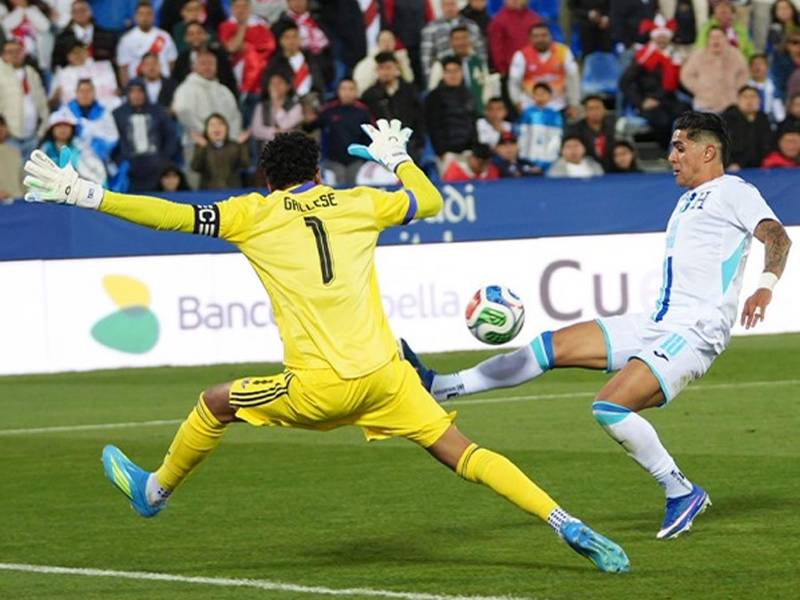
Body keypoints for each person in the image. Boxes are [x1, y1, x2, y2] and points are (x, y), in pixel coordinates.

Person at [22, 119, 630, 574]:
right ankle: (564, 520)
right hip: (388, 378)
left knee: (214, 401)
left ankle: (153, 493)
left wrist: (90, 195)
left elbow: (170, 216)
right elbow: (432, 199)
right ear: (318, 172)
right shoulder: (358, 203)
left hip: (320, 386)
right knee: (462, 451)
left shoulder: (250, 214)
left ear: (267, 178)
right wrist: (399, 159)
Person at [401, 111, 792, 540]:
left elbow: (777, 236)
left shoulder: (734, 190)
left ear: (708, 150)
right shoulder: (688, 199)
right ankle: (443, 386)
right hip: (656, 321)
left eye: (680, 147)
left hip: (694, 333)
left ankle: (681, 490)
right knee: (551, 347)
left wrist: (765, 287)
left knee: (609, 407)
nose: (671, 156)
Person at [619, 16, 687, 148]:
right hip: (648, 100)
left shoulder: (675, 58)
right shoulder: (642, 58)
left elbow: (680, 84)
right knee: (663, 121)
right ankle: (665, 151)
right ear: (653, 37)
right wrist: (641, 101)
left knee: (686, 114)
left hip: (669, 99)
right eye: (659, 36)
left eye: (664, 36)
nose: (662, 39)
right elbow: (625, 83)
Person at [302, 78, 371, 187]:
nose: (347, 93)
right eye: (343, 89)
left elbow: (371, 135)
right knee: (338, 183)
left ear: (356, 91)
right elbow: (310, 127)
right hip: (333, 161)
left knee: (356, 186)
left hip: (357, 161)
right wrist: (307, 121)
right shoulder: (330, 110)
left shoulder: (363, 111)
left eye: (351, 89)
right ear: (338, 91)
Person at [113, 78, 179, 191]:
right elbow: (113, 140)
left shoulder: (158, 112)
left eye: (140, 91)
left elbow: (170, 136)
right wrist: (121, 160)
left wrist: (164, 159)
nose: (136, 95)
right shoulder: (118, 114)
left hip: (156, 165)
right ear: (127, 94)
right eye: (132, 91)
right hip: (129, 166)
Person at [361, 51, 425, 162]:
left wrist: (419, 143)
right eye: (381, 68)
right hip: (382, 149)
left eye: (388, 67)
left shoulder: (410, 91)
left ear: (396, 69)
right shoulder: (369, 96)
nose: (385, 72)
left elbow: (420, 119)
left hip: (410, 144)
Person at [507, 22, 580, 117]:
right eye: (536, 36)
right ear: (530, 38)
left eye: (544, 35)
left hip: (558, 104)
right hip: (530, 105)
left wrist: (573, 103)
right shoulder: (521, 55)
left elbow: (573, 78)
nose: (540, 39)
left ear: (551, 36)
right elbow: (514, 81)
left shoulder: (563, 52)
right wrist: (517, 102)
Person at [427, 25, 497, 115]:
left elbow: (487, 88)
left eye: (464, 38)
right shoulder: (441, 64)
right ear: (451, 42)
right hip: (449, 116)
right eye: (457, 39)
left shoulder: (478, 63)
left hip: (477, 114)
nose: (461, 42)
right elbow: (433, 91)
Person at [680, 27, 749, 114]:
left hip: (730, 104)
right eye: (712, 37)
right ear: (708, 40)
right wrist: (699, 88)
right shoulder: (698, 55)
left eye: (719, 37)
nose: (716, 40)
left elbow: (744, 72)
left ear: (725, 39)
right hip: (705, 104)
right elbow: (686, 75)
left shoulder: (735, 54)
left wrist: (736, 88)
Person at [0, 38, 48, 160]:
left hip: (32, 136)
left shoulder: (31, 73)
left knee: (29, 177)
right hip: (8, 137)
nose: (15, 55)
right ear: (3, 54)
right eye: (10, 52)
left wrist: (42, 130)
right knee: (11, 175)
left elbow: (42, 103)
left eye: (18, 51)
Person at [424, 56, 478, 164]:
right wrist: (441, 152)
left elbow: (472, 123)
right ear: (443, 74)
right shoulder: (434, 96)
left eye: (456, 71)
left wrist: (474, 149)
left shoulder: (468, 94)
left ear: (462, 73)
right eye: (449, 71)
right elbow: (433, 126)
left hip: (468, 152)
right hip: (447, 153)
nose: (453, 75)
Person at [420, 0, 487, 82]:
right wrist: (432, 81)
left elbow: (481, 53)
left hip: (471, 75)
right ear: (441, 7)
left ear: (458, 5)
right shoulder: (430, 29)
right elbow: (426, 59)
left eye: (452, 4)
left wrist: (483, 74)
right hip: (444, 77)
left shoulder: (471, 26)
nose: (449, 8)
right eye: (446, 5)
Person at [116, 1, 178, 88]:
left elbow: (171, 61)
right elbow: (123, 68)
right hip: (138, 87)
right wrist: (126, 90)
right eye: (141, 14)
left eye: (148, 14)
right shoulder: (127, 40)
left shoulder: (164, 36)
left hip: (162, 86)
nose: (145, 17)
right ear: (135, 17)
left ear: (154, 16)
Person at [173, 19, 240, 100]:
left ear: (206, 35)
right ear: (186, 38)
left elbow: (230, 82)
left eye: (199, 32)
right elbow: (176, 84)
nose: (195, 36)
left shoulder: (220, 56)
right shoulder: (181, 59)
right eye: (191, 34)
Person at [49, 40, 120, 110]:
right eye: (73, 53)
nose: (78, 55)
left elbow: (115, 90)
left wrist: (117, 92)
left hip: (104, 110)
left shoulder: (102, 67)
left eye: (80, 51)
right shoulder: (61, 74)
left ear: (86, 52)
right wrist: (56, 97)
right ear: (68, 56)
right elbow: (51, 103)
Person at [190, 113, 251, 189]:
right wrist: (203, 148)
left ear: (227, 128)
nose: (216, 127)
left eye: (220, 124)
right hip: (208, 193)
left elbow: (245, 164)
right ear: (206, 130)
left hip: (232, 193)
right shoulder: (203, 146)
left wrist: (241, 146)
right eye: (212, 125)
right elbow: (195, 167)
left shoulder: (235, 146)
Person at [51, 0, 116, 69]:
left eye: (83, 10)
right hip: (72, 76)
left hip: (101, 76)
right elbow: (56, 64)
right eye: (75, 11)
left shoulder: (107, 36)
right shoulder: (62, 38)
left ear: (90, 12)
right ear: (71, 14)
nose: (80, 14)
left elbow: (112, 61)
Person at [722, 85, 773, 171]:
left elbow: (768, 144)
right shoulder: (728, 119)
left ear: (759, 101)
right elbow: (722, 145)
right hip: (734, 167)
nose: (749, 100)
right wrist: (730, 163)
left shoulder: (763, 119)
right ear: (738, 100)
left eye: (753, 97)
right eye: (745, 97)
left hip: (760, 168)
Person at [516, 82, 563, 171]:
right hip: (529, 154)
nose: (540, 97)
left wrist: (551, 157)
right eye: (537, 94)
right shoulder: (527, 113)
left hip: (547, 155)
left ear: (550, 96)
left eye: (543, 94)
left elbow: (556, 138)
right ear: (532, 96)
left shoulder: (555, 115)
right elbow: (522, 135)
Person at [250, 72, 302, 150]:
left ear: (288, 86)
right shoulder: (261, 106)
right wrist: (275, 132)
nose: (275, 86)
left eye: (279, 83)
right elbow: (256, 130)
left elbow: (284, 125)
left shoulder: (296, 107)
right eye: (272, 83)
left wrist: (276, 102)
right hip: (265, 149)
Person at [352, 29, 414, 95]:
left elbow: (409, 81)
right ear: (377, 44)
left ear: (394, 43)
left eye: (390, 40)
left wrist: (403, 65)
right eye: (383, 41)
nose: (387, 44)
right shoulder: (366, 64)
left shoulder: (400, 60)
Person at [565, 94, 615, 167]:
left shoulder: (612, 126)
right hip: (585, 168)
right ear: (585, 111)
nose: (595, 112)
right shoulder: (574, 129)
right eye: (591, 108)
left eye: (598, 108)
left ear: (604, 109)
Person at [747, 53, 784, 124]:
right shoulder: (745, 87)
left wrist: (781, 123)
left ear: (767, 67)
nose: (757, 67)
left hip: (769, 122)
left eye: (760, 64)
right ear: (749, 68)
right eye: (754, 64)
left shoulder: (774, 87)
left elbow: (778, 110)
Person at [0, 113, 23, 202]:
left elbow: (24, 181)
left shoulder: (15, 152)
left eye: (2, 125)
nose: (0, 128)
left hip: (18, 202)